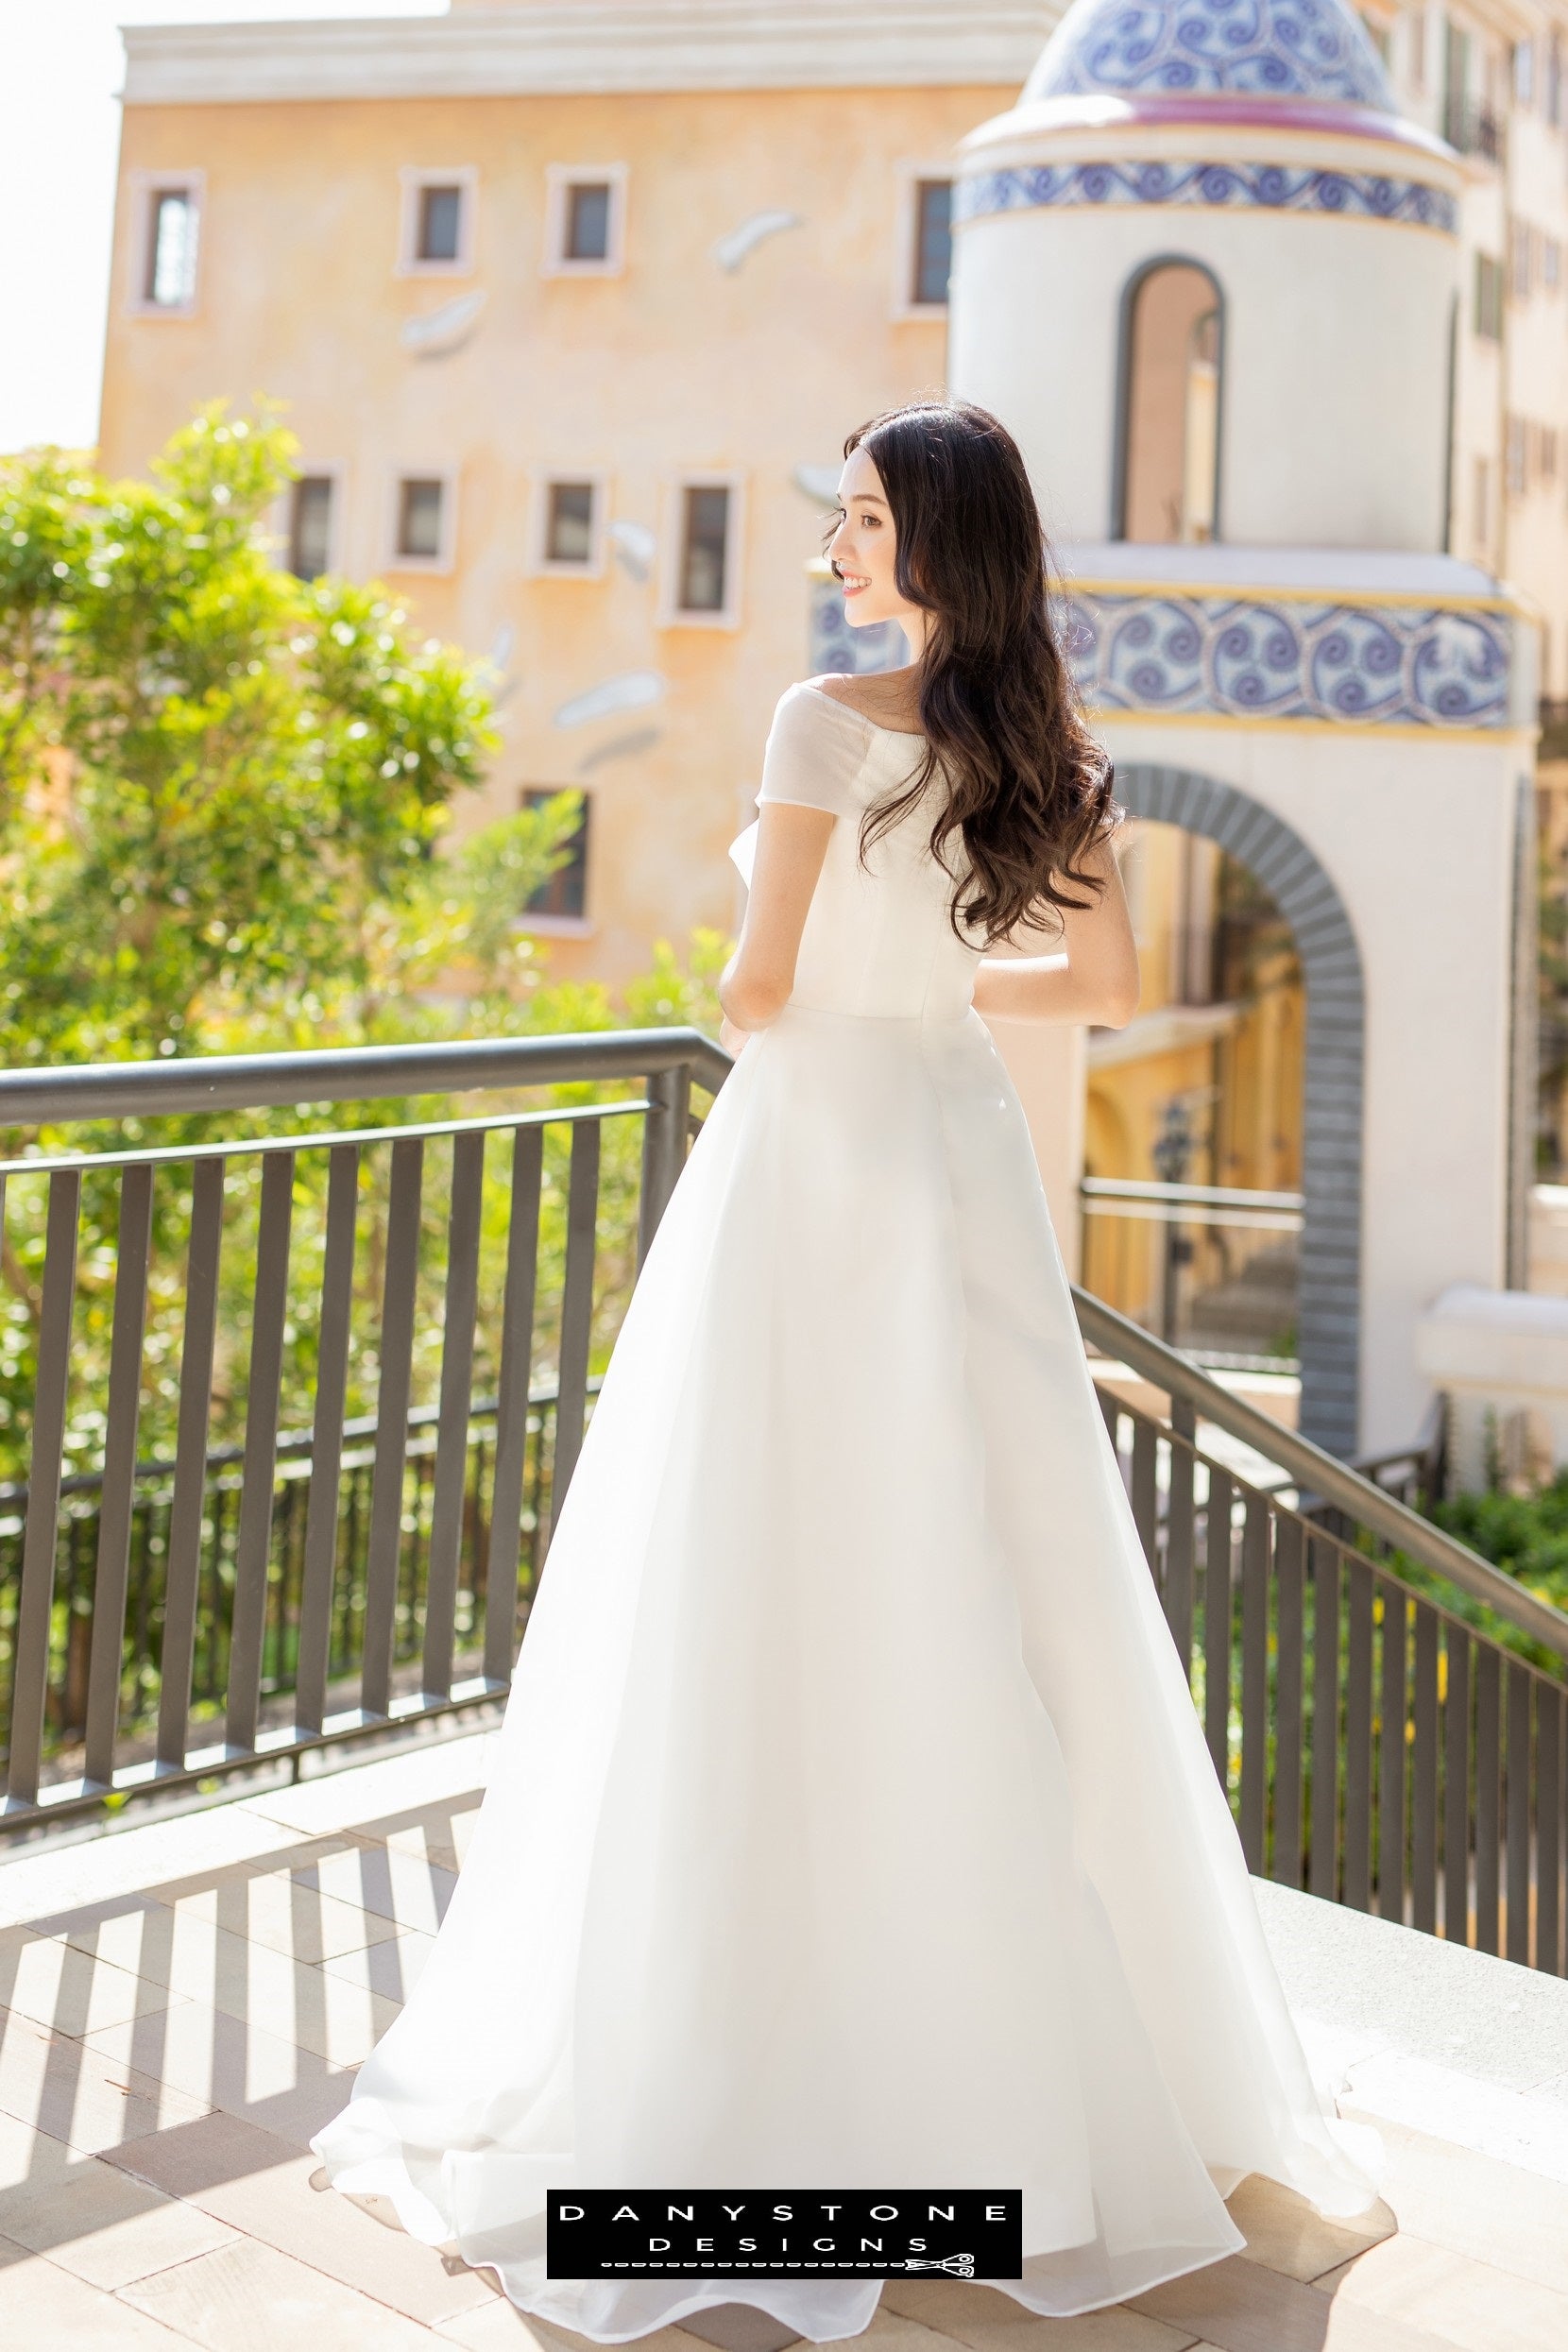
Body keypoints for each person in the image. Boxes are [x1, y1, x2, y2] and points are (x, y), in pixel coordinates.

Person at [310, 399, 1382, 2343]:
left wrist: (804, 961)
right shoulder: (1047, 744)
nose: (836, 550)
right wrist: (943, 973)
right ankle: (1030, 2102)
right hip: (951, 1153)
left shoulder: (820, 722)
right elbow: (1107, 990)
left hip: (811, 1163)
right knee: (985, 1578)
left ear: (931, 541)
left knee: (755, 1567)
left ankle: (756, 2091)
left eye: (863, 518)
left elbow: (752, 990)